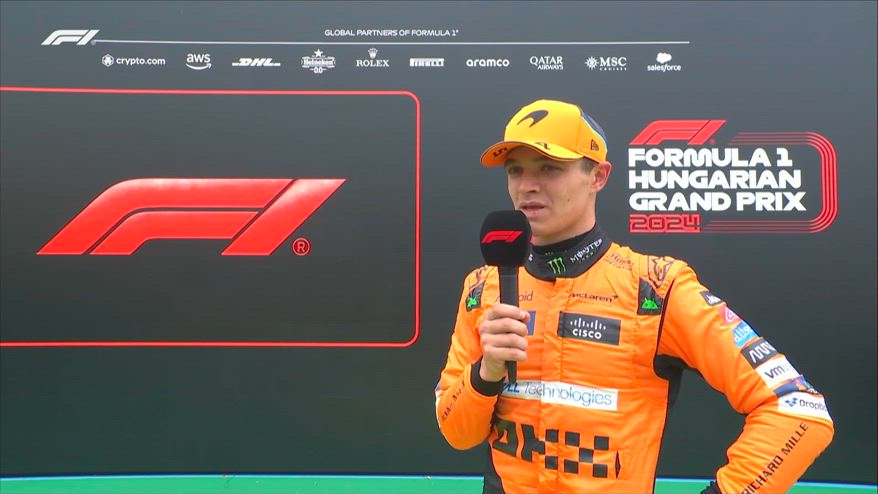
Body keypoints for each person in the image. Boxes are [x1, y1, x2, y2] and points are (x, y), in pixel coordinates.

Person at [434, 99, 834, 494]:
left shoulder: (656, 288)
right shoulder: (482, 287)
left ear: (598, 176)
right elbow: (457, 432)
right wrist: (485, 373)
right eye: (515, 170)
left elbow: (799, 410)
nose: (527, 186)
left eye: (549, 167)